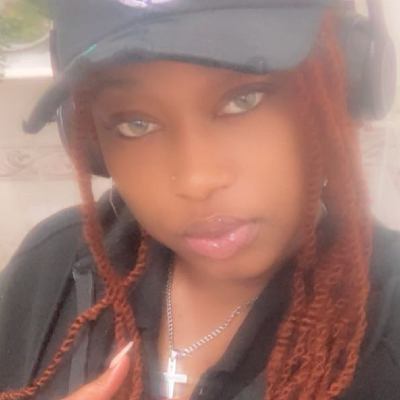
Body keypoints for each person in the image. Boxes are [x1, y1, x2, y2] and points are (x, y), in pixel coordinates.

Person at [0, 1, 399, 399]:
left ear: (343, 84)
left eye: (244, 100)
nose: (196, 181)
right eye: (135, 123)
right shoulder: (52, 266)